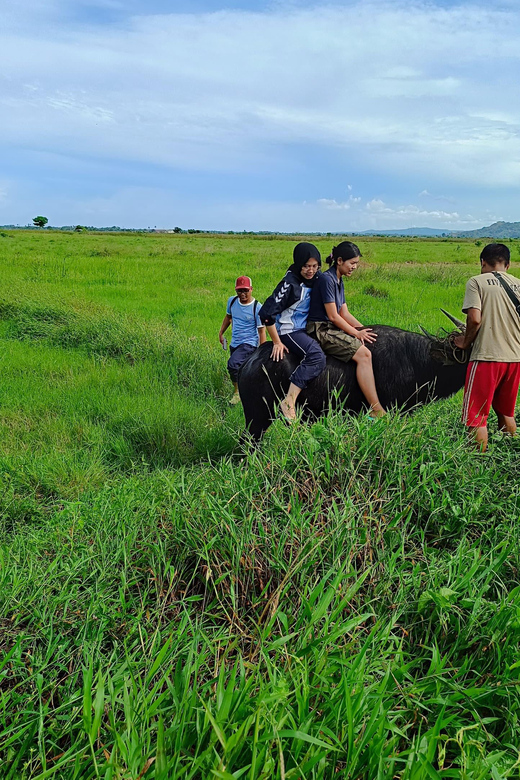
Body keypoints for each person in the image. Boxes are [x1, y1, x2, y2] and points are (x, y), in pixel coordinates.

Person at [306, 241, 385, 419]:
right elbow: (333, 316)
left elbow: (345, 312)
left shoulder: (338, 280)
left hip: (330, 325)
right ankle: (376, 408)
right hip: (321, 329)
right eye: (352, 263)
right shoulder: (327, 279)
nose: (355, 267)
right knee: (364, 355)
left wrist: (364, 329)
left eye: (356, 263)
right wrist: (356, 333)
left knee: (369, 342)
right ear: (340, 261)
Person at [453, 243, 520, 451]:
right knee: (506, 412)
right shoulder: (518, 283)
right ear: (507, 264)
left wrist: (465, 342)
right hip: (515, 359)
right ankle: (508, 455)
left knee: (476, 416)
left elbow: (474, 319)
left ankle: (476, 463)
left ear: (482, 262)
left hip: (486, 358)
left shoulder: (476, 282)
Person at [258, 243, 326, 421]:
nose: (310, 270)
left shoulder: (317, 277)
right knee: (316, 355)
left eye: (314, 266)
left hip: (305, 328)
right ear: (298, 264)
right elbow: (266, 314)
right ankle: (289, 400)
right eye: (306, 266)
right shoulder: (289, 284)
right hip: (289, 329)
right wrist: (277, 342)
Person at [219, 275, 266, 405]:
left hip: (249, 343)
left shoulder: (257, 307)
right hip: (235, 343)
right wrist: (221, 333)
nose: (242, 294)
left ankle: (237, 393)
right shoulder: (232, 301)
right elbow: (228, 318)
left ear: (251, 289)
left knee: (233, 364)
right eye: (240, 290)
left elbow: (262, 331)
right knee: (242, 369)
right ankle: (249, 392)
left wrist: (262, 353)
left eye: (245, 290)